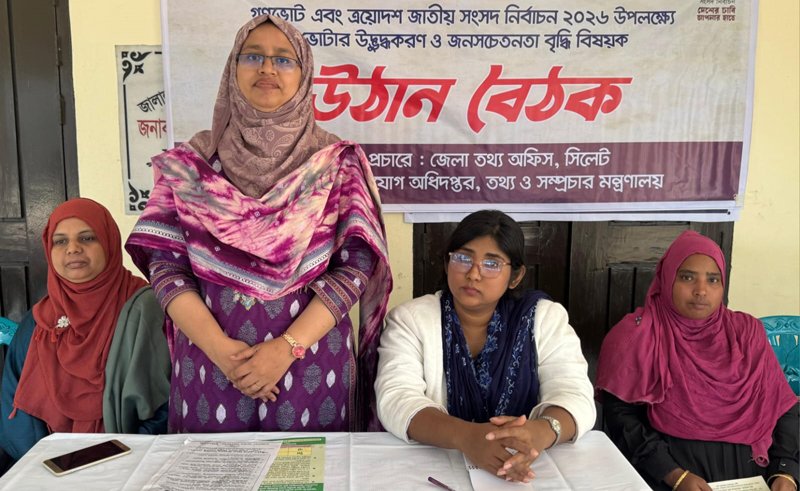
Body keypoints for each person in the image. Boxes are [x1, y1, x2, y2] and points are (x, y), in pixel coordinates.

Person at [125, 14, 391, 433]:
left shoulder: (336, 164)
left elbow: (356, 267)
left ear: (304, 75)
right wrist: (222, 352)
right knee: (212, 467)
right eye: (253, 56)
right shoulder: (193, 163)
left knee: (309, 466)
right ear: (233, 69)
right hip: (211, 368)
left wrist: (286, 348)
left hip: (311, 367)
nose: (267, 68)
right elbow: (166, 268)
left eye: (283, 59)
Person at [375, 210, 595, 483]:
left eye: (492, 263)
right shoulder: (410, 320)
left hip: (527, 468)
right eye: (463, 258)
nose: (473, 274)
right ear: (447, 263)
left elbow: (574, 394)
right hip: (435, 467)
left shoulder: (544, 318)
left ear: (515, 276)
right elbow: (396, 398)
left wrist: (539, 433)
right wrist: (466, 437)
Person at [596, 230, 799, 491]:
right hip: (667, 478)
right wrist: (673, 475)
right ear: (667, 278)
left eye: (713, 280)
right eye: (687, 277)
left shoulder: (746, 334)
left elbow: (783, 407)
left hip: (757, 479)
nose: (701, 290)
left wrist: (785, 472)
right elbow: (621, 417)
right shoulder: (638, 335)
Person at [0, 198, 170, 461]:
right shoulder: (39, 320)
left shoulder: (147, 308)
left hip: (129, 461)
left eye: (87, 238)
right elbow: (14, 404)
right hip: (48, 467)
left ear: (109, 242)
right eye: (60, 241)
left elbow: (171, 399)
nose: (73, 249)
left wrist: (111, 459)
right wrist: (46, 462)